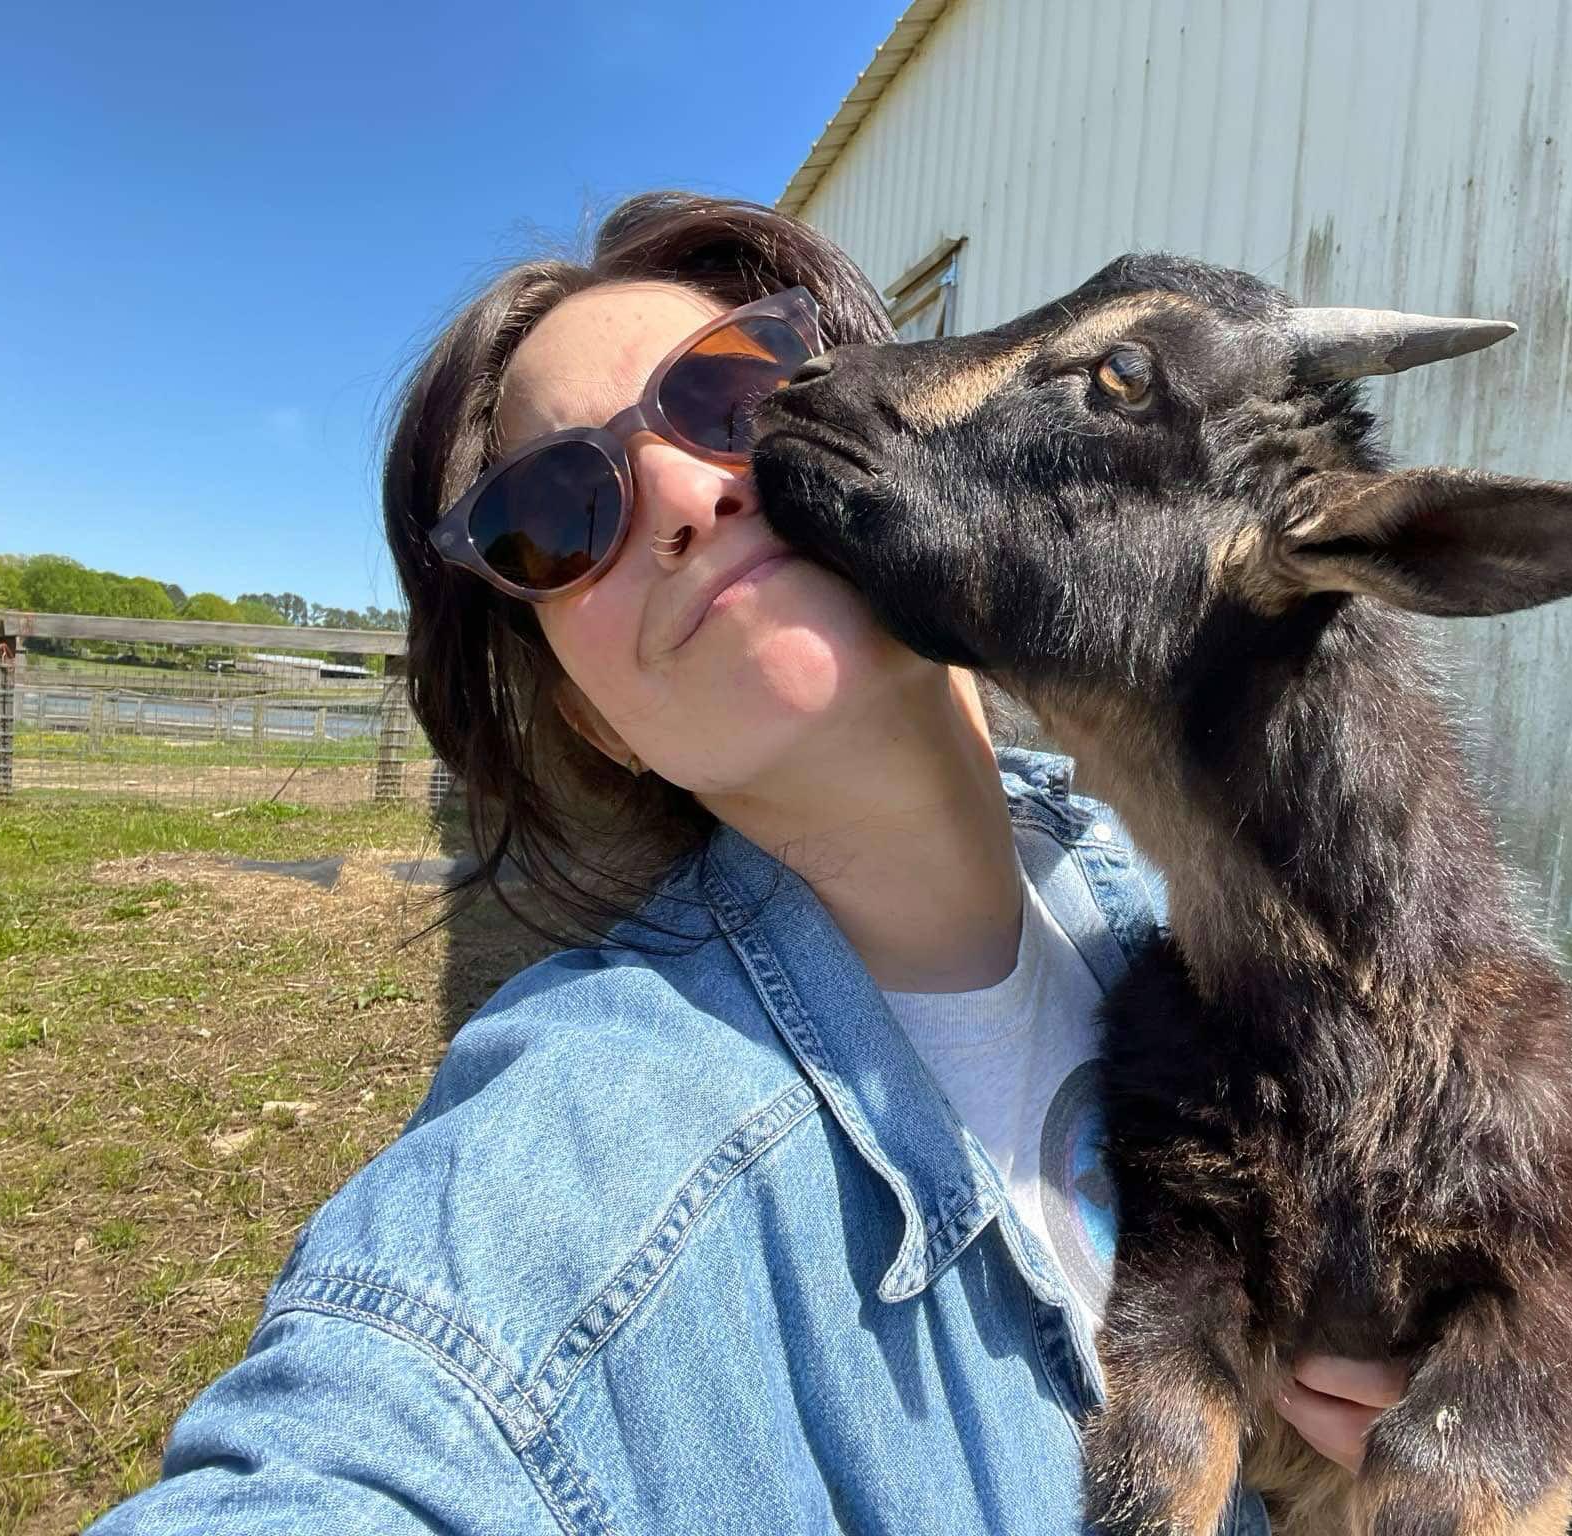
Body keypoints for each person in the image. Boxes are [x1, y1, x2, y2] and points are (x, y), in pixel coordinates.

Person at [89, 192, 1405, 1535]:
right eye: (555, 515)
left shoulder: (1191, 889)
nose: (679, 490)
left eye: (731, 392)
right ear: (595, 718)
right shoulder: (592, 1148)